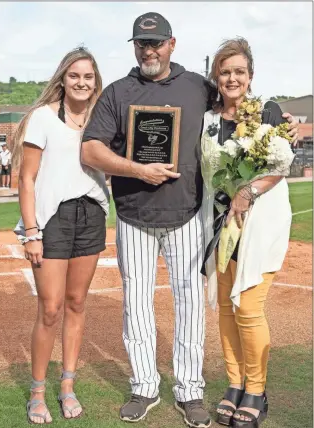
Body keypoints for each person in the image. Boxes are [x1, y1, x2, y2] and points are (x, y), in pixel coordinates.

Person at [81, 13, 299, 428]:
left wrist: (281, 120)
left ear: (172, 44)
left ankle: (190, 390)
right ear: (134, 46)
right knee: (138, 306)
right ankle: (144, 386)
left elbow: (246, 112)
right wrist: (137, 169)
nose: (150, 50)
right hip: (133, 215)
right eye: (142, 43)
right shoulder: (118, 92)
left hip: (187, 217)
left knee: (192, 304)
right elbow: (90, 150)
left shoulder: (198, 87)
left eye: (157, 43)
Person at [12, 47, 110, 424]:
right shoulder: (42, 117)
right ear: (63, 79)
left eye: (88, 77)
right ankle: (37, 392)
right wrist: (31, 232)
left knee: (76, 303)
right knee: (50, 308)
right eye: (75, 76)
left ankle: (67, 386)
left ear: (95, 81)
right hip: (52, 219)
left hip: (91, 214)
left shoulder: (102, 119)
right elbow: (26, 177)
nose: (82, 82)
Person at [201, 38, 293, 428]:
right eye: (225, 71)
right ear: (216, 77)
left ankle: (256, 390)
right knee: (225, 308)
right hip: (221, 224)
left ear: (250, 76)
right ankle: (235, 384)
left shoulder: (268, 113)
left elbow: (279, 165)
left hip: (260, 222)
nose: (232, 78)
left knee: (249, 308)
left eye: (239, 71)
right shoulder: (207, 120)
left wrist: (248, 191)